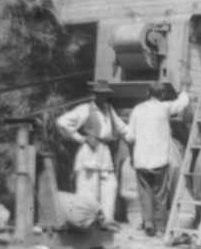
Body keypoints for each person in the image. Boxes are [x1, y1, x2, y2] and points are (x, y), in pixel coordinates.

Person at [56, 81, 127, 228]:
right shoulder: (85, 109)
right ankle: (86, 221)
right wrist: (79, 138)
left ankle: (107, 219)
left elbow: (122, 128)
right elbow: (62, 122)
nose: (104, 98)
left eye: (106, 95)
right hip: (89, 151)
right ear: (95, 95)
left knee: (110, 185)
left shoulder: (109, 110)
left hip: (104, 151)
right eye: (101, 95)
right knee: (88, 187)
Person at [126, 81, 190, 237]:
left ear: (148, 93)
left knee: (145, 193)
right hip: (159, 159)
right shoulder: (164, 107)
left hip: (141, 159)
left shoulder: (137, 109)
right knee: (160, 194)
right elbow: (182, 104)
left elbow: (129, 136)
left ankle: (148, 224)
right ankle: (161, 226)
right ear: (161, 95)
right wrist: (184, 90)